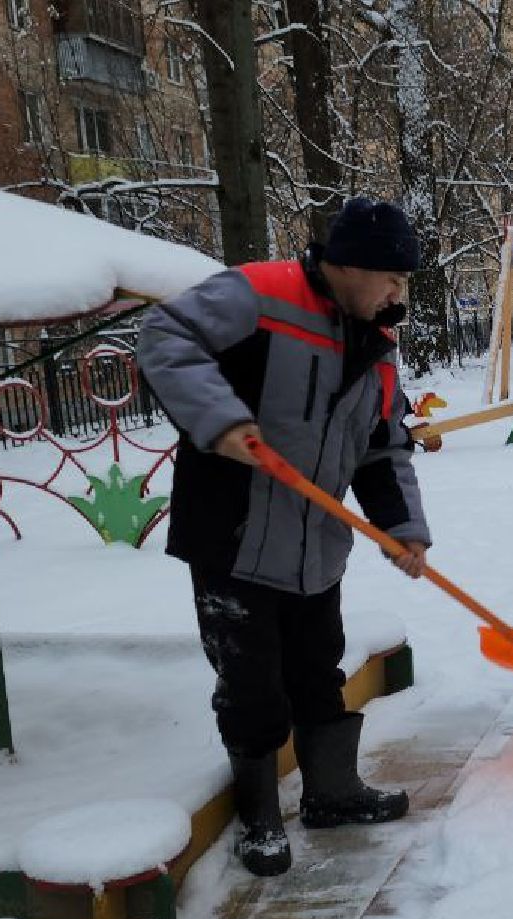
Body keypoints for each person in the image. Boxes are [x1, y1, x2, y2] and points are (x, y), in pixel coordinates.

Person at [136, 197, 432, 877]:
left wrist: (402, 531)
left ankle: (331, 794)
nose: (397, 295)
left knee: (316, 670)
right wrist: (220, 421)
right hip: (233, 535)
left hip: (314, 544)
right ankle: (260, 820)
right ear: (351, 266)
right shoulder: (258, 295)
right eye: (392, 279)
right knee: (251, 683)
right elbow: (164, 338)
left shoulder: (376, 347)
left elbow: (381, 450)